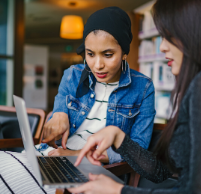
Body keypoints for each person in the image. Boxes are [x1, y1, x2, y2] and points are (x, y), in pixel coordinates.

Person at [68, 0, 201, 193]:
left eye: (169, 36)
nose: (162, 47)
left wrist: (118, 191)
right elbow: (161, 173)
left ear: (198, 30)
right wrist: (119, 138)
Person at [40, 6, 155, 164]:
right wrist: (59, 114)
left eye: (108, 55)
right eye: (90, 54)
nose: (97, 65)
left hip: (95, 167)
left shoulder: (144, 88)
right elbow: (60, 105)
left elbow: (138, 150)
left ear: (124, 53)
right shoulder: (72, 74)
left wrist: (75, 154)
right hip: (57, 155)